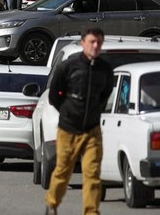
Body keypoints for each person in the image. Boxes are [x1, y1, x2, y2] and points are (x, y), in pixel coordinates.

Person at [45, 27, 114, 215]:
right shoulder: (68, 66)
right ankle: (52, 204)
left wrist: (95, 112)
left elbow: (105, 94)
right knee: (62, 171)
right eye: (92, 42)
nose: (96, 46)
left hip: (92, 130)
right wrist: (67, 112)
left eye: (99, 42)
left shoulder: (105, 69)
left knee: (92, 173)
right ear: (83, 43)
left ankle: (91, 211)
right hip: (68, 129)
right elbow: (54, 95)